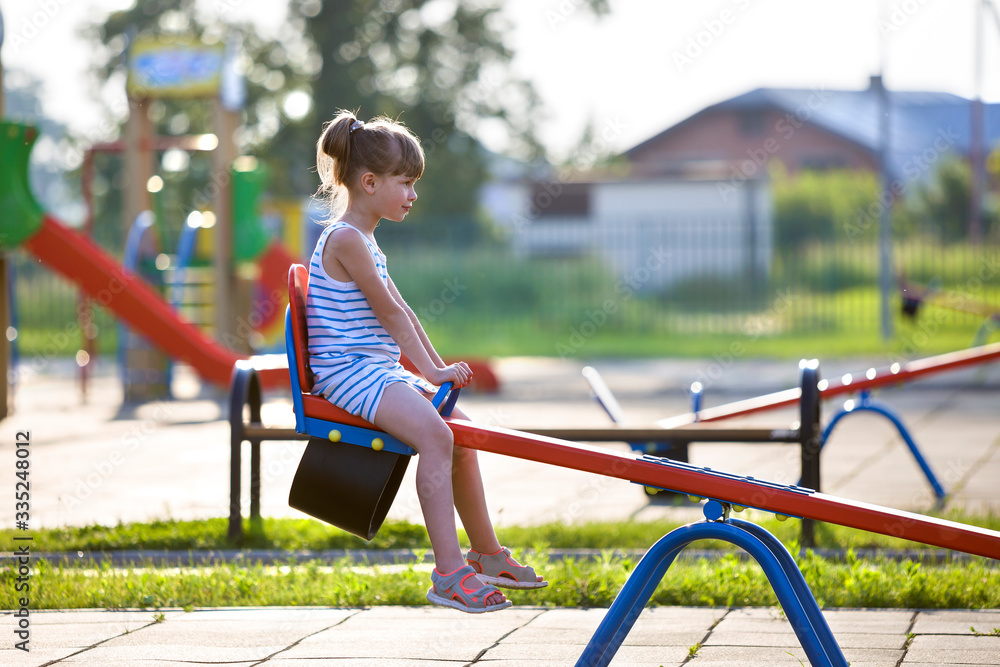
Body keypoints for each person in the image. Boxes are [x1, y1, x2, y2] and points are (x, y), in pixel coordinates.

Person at [306, 110, 546, 613]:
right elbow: (391, 314)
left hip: (373, 369)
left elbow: (404, 313)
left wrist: (436, 369)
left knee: (462, 429)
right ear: (369, 182)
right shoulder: (346, 238)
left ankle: (486, 554)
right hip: (346, 371)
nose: (413, 195)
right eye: (406, 183)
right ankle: (448, 573)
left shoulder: (365, 240)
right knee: (438, 436)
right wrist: (431, 373)